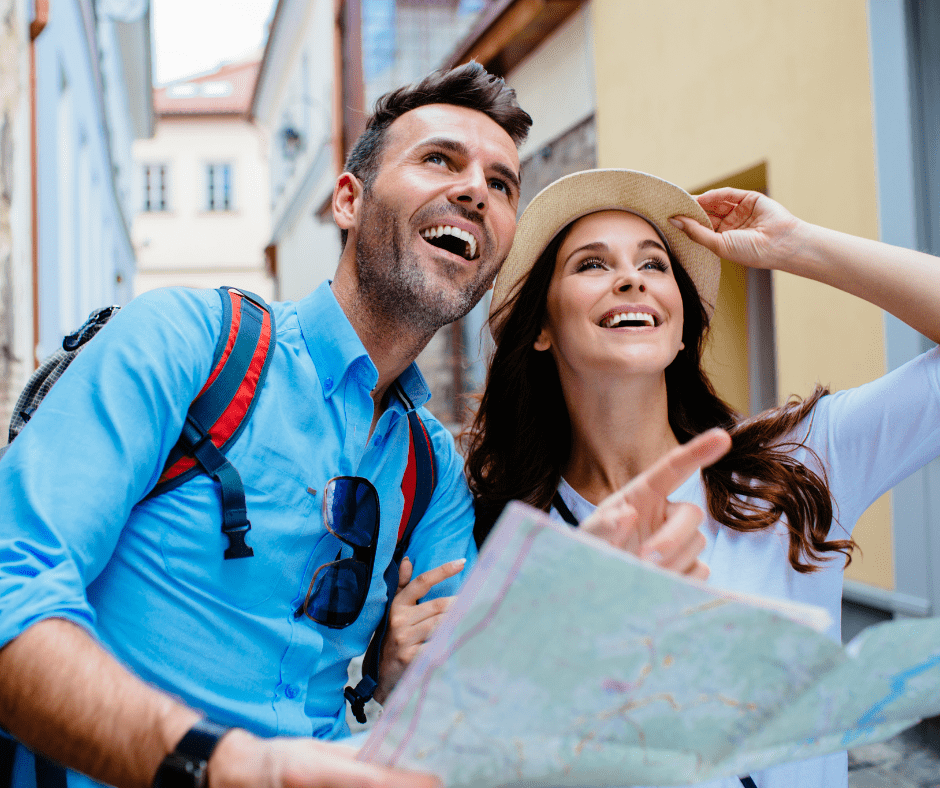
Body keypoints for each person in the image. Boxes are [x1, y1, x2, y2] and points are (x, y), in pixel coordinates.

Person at [0, 66, 725, 788]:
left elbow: (472, 714)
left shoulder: (430, 469)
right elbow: (11, 592)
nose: (476, 191)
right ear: (348, 199)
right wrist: (232, 767)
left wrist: (572, 611)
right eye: (439, 159)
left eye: (501, 184)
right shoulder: (188, 342)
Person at [463, 168, 940, 788]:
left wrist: (798, 245)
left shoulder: (794, 466)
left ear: (683, 326)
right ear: (542, 328)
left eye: (654, 264)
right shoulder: (504, 538)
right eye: (592, 264)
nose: (631, 278)